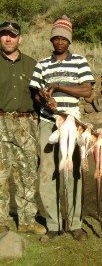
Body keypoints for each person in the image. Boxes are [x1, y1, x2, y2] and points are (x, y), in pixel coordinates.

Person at [29, 15, 95, 242]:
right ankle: (53, 224)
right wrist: (44, 100)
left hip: (72, 123)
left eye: (63, 38)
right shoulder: (41, 65)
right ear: (51, 40)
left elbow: (87, 91)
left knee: (72, 171)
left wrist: (59, 87)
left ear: (69, 41)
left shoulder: (79, 61)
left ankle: (75, 223)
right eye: (55, 38)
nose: (59, 42)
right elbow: (36, 93)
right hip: (48, 122)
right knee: (47, 172)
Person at [0, 21, 46, 235]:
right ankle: (1, 221)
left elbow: (40, 97)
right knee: (0, 175)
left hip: (26, 123)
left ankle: (27, 220)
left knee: (27, 173)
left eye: (12, 35)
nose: (7, 39)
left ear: (20, 39)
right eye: (4, 35)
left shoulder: (32, 64)